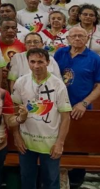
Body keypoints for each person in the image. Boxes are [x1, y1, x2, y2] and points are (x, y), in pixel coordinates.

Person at [53, 26, 100, 188]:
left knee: (79, 146)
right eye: (74, 36)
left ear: (87, 38)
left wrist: (84, 103)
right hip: (58, 109)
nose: (77, 38)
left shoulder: (94, 59)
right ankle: (56, 180)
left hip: (80, 110)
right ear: (68, 39)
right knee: (57, 144)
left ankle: (76, 182)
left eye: (81, 36)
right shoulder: (60, 53)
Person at [12, 48, 72, 189]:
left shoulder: (58, 85)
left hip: (50, 143)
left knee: (51, 181)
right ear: (28, 62)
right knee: (27, 179)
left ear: (48, 62)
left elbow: (65, 117)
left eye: (40, 62)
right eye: (32, 62)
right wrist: (16, 136)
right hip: (26, 141)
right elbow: (14, 112)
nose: (36, 66)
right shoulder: (21, 82)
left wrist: (60, 143)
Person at [76, 4, 100, 68]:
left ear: (95, 18)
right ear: (79, 16)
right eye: (85, 14)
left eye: (91, 15)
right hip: (77, 67)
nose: (88, 17)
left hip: (98, 67)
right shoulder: (72, 30)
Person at [0, 18, 27, 88]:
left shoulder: (22, 47)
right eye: (6, 28)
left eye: (13, 28)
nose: (10, 30)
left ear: (16, 30)